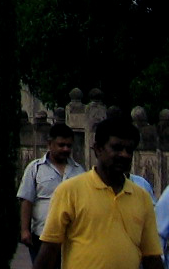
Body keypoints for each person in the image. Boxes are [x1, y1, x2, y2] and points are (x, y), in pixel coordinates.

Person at [35, 115, 163, 269]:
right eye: (116, 148)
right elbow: (50, 249)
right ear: (98, 149)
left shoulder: (142, 197)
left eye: (129, 150)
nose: (124, 155)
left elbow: (152, 257)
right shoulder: (69, 191)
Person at [18, 123, 84, 261]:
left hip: (71, 237)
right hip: (42, 235)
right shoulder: (35, 169)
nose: (65, 149)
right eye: (61, 145)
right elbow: (26, 200)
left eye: (69, 146)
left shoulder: (79, 171)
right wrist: (24, 230)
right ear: (50, 144)